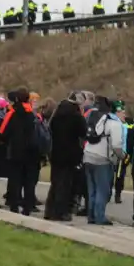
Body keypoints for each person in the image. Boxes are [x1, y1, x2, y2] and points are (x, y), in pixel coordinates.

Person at [44, 93, 88, 221]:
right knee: (65, 184)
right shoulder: (76, 116)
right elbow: (83, 132)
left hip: (55, 152)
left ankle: (50, 210)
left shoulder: (56, 114)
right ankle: (60, 212)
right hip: (70, 154)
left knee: (55, 182)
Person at [82, 97, 124, 225]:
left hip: (87, 156)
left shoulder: (91, 119)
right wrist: (122, 156)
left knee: (92, 189)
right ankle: (99, 216)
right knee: (102, 189)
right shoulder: (113, 123)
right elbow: (117, 145)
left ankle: (91, 216)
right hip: (102, 159)